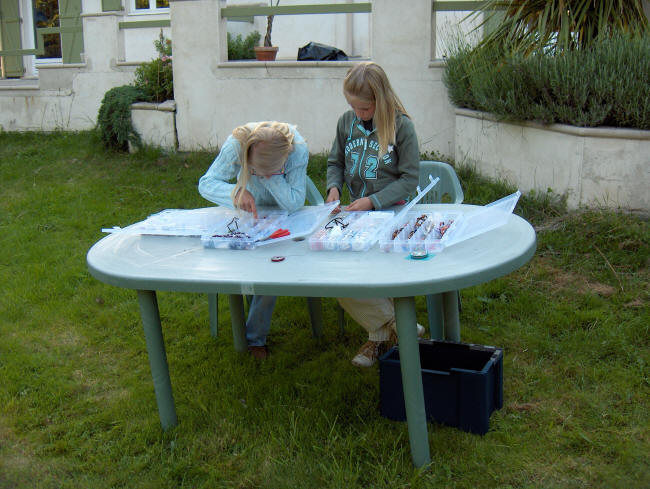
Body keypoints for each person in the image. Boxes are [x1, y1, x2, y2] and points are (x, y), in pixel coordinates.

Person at [325, 62, 424, 367]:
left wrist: (374, 201)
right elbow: (335, 162)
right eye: (352, 106)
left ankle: (378, 338)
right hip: (356, 214)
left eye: (364, 108)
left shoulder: (402, 127)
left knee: (376, 273)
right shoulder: (346, 122)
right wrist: (333, 188)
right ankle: (399, 326)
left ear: (380, 100)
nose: (358, 113)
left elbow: (410, 178)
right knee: (337, 275)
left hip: (393, 214)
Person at [198, 121, 309, 359]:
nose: (261, 176)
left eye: (270, 171)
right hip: (245, 215)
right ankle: (246, 320)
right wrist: (237, 192)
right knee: (235, 261)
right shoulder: (237, 144)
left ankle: (254, 339)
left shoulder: (297, 149)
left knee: (272, 268)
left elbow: (295, 202)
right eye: (255, 171)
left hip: (282, 217)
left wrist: (269, 176)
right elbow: (206, 183)